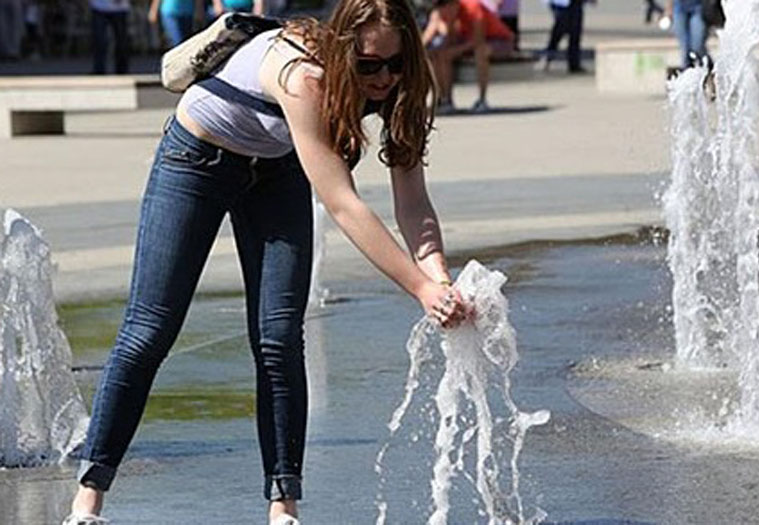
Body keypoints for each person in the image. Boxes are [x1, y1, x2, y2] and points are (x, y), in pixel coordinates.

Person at [62, 0, 469, 523]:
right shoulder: (306, 76)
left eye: (395, 64)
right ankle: (88, 498)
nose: (384, 78)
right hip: (198, 158)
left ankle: (284, 509)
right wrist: (418, 289)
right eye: (369, 65)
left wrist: (439, 278)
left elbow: (412, 200)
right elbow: (343, 204)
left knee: (278, 338)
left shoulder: (405, 86)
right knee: (150, 330)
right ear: (344, 53)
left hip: (277, 171)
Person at [421, 0, 514, 113]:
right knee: (439, 55)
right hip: (469, 41)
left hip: (498, 40)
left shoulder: (473, 7)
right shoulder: (443, 13)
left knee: (481, 51)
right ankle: (445, 100)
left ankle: (482, 99)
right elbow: (447, 40)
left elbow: (477, 40)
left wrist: (453, 51)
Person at [537, 0, 588, 74]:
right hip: (561, 4)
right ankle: (548, 57)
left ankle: (574, 63)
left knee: (575, 32)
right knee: (559, 30)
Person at [89, 0, 131, 74]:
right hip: (98, 7)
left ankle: (122, 70)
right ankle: (99, 70)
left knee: (121, 41)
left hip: (119, 8)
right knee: (99, 40)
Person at [665, 0, 708, 69]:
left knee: (697, 44)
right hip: (679, 7)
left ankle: (706, 64)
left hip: (698, 7)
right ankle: (687, 69)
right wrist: (669, 8)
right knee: (685, 47)